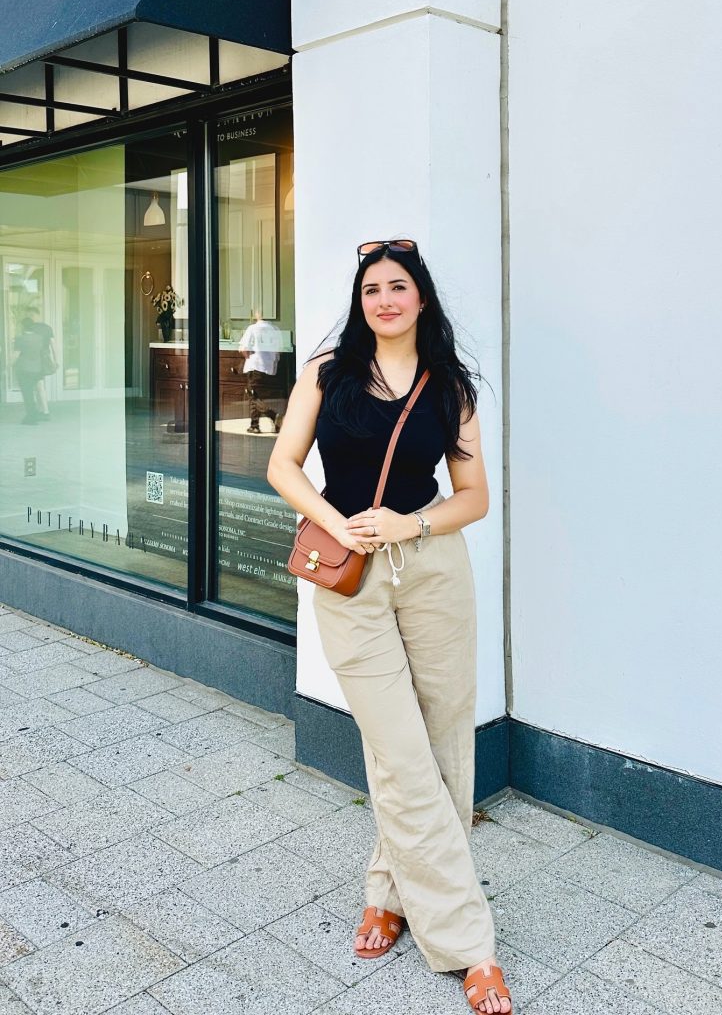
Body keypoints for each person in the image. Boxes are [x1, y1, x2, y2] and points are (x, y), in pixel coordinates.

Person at [267, 239, 511, 1013]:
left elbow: (471, 497)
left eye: (397, 286)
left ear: (422, 298)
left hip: (432, 568)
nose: (383, 299)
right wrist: (341, 522)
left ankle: (387, 892)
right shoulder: (327, 372)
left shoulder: (450, 389)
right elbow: (281, 465)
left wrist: (408, 525)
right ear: (359, 300)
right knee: (400, 751)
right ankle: (469, 943)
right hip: (349, 575)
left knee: (441, 744)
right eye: (371, 288)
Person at [238, 310, 282, 433]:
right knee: (255, 395)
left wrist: (248, 358)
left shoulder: (253, 328)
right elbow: (279, 351)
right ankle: (254, 425)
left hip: (255, 366)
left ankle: (274, 416)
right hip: (269, 369)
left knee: (253, 396)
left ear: (257, 315)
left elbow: (243, 349)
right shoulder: (275, 329)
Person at [12, 315, 45, 424]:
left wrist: (9, 365)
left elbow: (15, 356)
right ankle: (34, 414)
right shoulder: (39, 338)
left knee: (27, 394)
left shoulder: (20, 339)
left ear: (23, 327)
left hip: (24, 369)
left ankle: (31, 417)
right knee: (33, 392)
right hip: (37, 369)